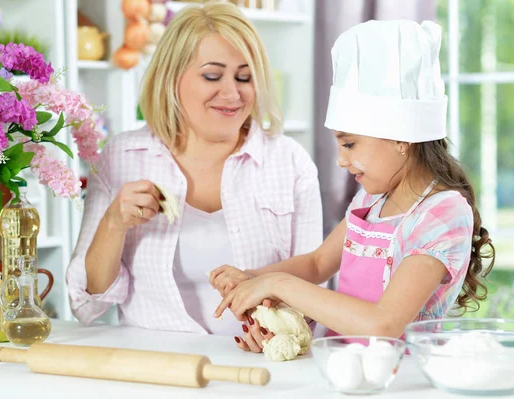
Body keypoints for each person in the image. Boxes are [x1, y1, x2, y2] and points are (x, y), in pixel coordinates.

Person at [211, 20, 495, 350]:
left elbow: (384, 323)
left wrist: (277, 283)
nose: (341, 161)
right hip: (342, 369)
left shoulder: (442, 213)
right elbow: (318, 264)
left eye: (349, 145)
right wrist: (253, 279)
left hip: (402, 380)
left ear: (401, 138)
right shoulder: (371, 202)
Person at [66, 2, 323, 336]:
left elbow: (312, 291)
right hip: (160, 368)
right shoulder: (122, 157)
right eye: (212, 76)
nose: (232, 93)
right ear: (172, 78)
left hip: (258, 370)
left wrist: (278, 329)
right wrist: (114, 223)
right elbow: (88, 305)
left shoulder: (290, 163)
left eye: (244, 77)